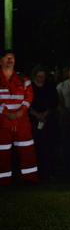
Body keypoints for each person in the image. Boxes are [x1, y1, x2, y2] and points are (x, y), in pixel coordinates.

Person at [0, 49, 39, 186]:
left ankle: (30, 179)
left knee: (27, 150)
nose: (10, 60)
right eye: (7, 58)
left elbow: (29, 96)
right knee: (2, 151)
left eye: (12, 58)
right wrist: (6, 113)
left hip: (22, 121)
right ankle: (3, 180)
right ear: (1, 61)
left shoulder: (24, 79)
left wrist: (21, 111)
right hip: (3, 121)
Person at [29, 66, 59, 180]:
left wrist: (45, 114)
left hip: (48, 122)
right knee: (36, 147)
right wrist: (37, 115)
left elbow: (54, 102)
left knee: (48, 147)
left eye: (43, 76)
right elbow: (27, 104)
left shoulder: (50, 87)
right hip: (33, 121)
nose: (41, 79)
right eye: (39, 76)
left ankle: (49, 172)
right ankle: (37, 172)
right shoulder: (30, 87)